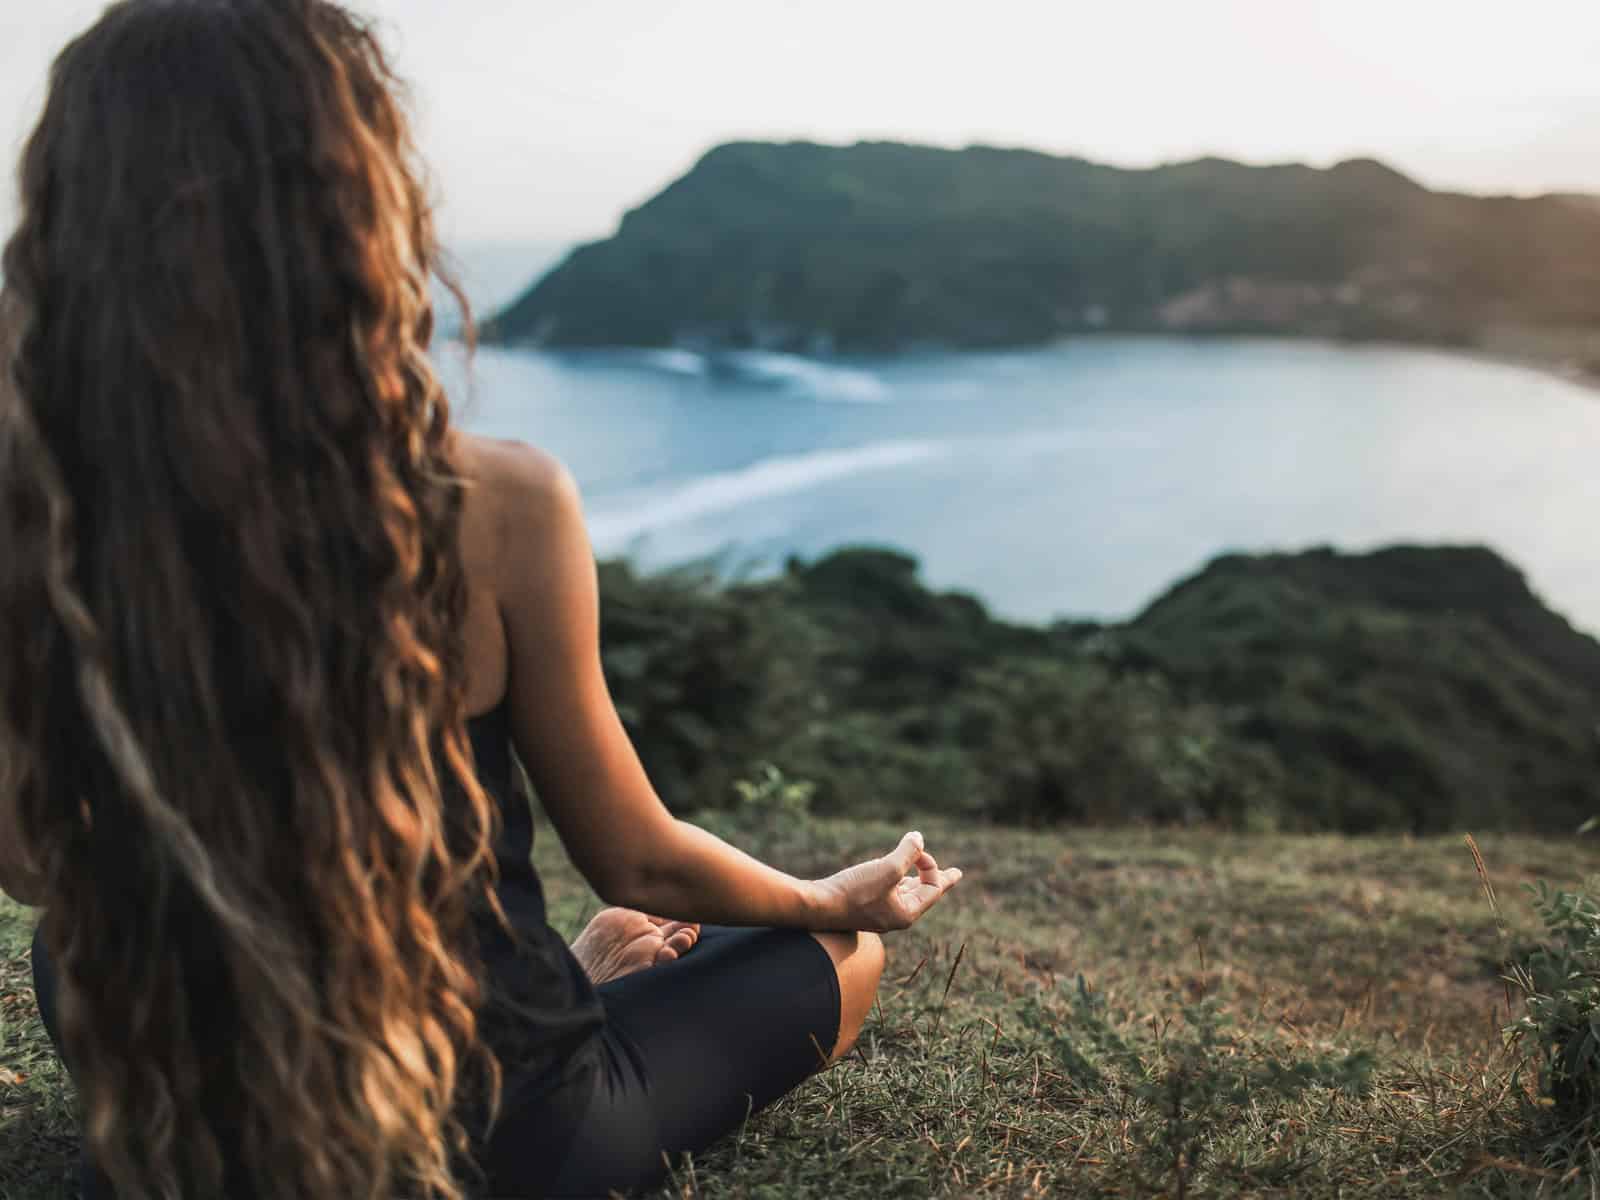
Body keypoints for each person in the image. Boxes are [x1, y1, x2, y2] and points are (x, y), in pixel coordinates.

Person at [0, 2, 963, 1197]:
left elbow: (36, 867)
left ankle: (568, 981)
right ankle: (574, 986)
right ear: (351, 195)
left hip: (187, 1133)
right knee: (840, 953)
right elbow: (641, 863)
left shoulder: (25, 505)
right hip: (500, 1139)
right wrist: (830, 891)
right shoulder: (491, 501)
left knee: (67, 941)